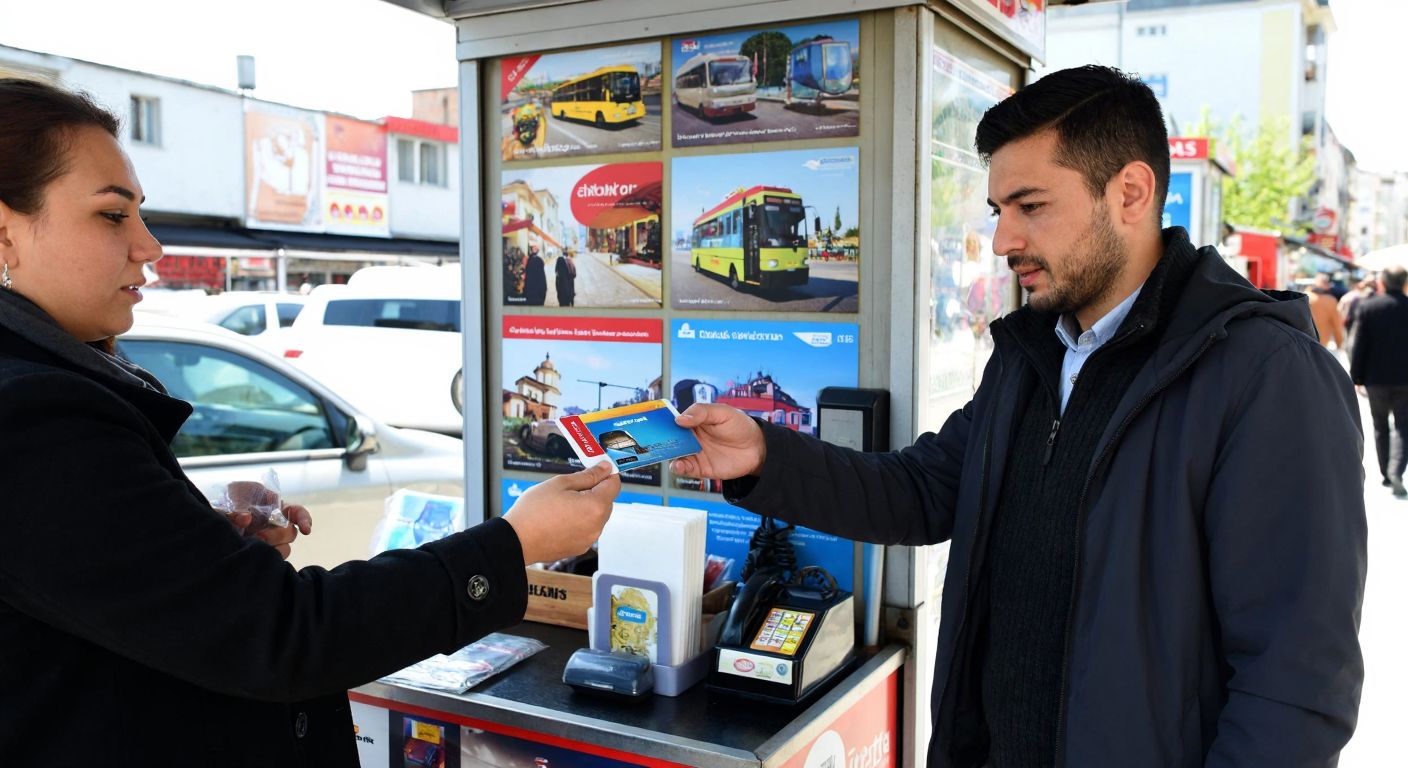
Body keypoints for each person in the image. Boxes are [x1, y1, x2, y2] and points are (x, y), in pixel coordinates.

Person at [672, 65, 1366, 767]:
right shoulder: (1033, 353)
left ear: (1130, 192)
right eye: (998, 209)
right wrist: (763, 456)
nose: (1003, 240)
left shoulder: (1266, 376)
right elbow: (920, 491)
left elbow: (1294, 685)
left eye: (1030, 206)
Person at [0, 77, 620, 764]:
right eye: (113, 216)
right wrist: (511, 545)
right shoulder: (32, 418)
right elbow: (285, 634)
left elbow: (89, 579)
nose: (150, 246)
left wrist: (192, 529)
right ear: (5, 234)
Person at [1349, 265, 1408, 496]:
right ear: (1404, 283)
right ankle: (1396, 469)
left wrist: (1357, 377)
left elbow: (1359, 344)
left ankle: (1386, 472)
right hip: (1405, 379)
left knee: (1380, 426)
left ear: (1382, 282)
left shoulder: (1369, 308)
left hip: (1376, 378)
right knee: (1404, 426)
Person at [1308, 272, 1346, 349]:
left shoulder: (1305, 297)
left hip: (1304, 343)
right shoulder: (1330, 301)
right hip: (1321, 344)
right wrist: (1339, 343)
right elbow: (1337, 324)